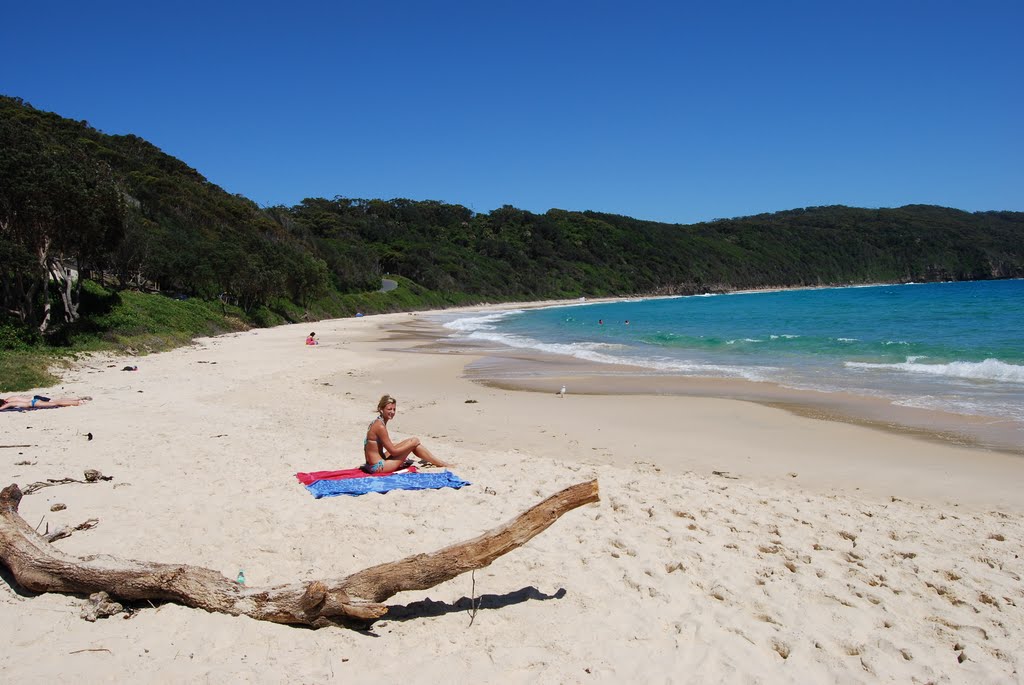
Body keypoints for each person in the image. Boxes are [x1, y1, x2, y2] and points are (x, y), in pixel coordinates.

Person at [363, 394, 449, 472]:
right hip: (378, 468)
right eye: (389, 409)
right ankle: (441, 463)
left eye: (394, 409)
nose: (392, 412)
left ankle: (438, 462)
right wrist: (411, 445)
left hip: (371, 465)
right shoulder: (380, 427)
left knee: (409, 442)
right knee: (414, 442)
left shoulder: (376, 422)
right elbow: (393, 452)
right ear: (381, 409)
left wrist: (408, 444)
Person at [0, 394, 91, 411]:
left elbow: (2, 408)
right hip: (34, 399)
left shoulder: (9, 403)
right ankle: (77, 400)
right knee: (56, 401)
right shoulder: (11, 398)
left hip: (34, 403)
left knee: (56, 403)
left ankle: (78, 403)